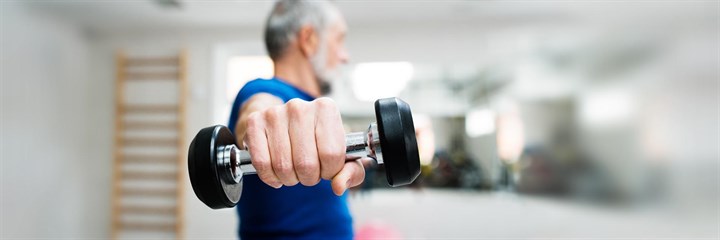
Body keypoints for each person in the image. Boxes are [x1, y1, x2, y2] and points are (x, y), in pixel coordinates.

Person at [226, 1, 359, 239]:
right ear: (309, 39)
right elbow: (259, 113)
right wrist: (265, 125)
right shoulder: (261, 90)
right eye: (339, 40)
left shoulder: (314, 110)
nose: (345, 56)